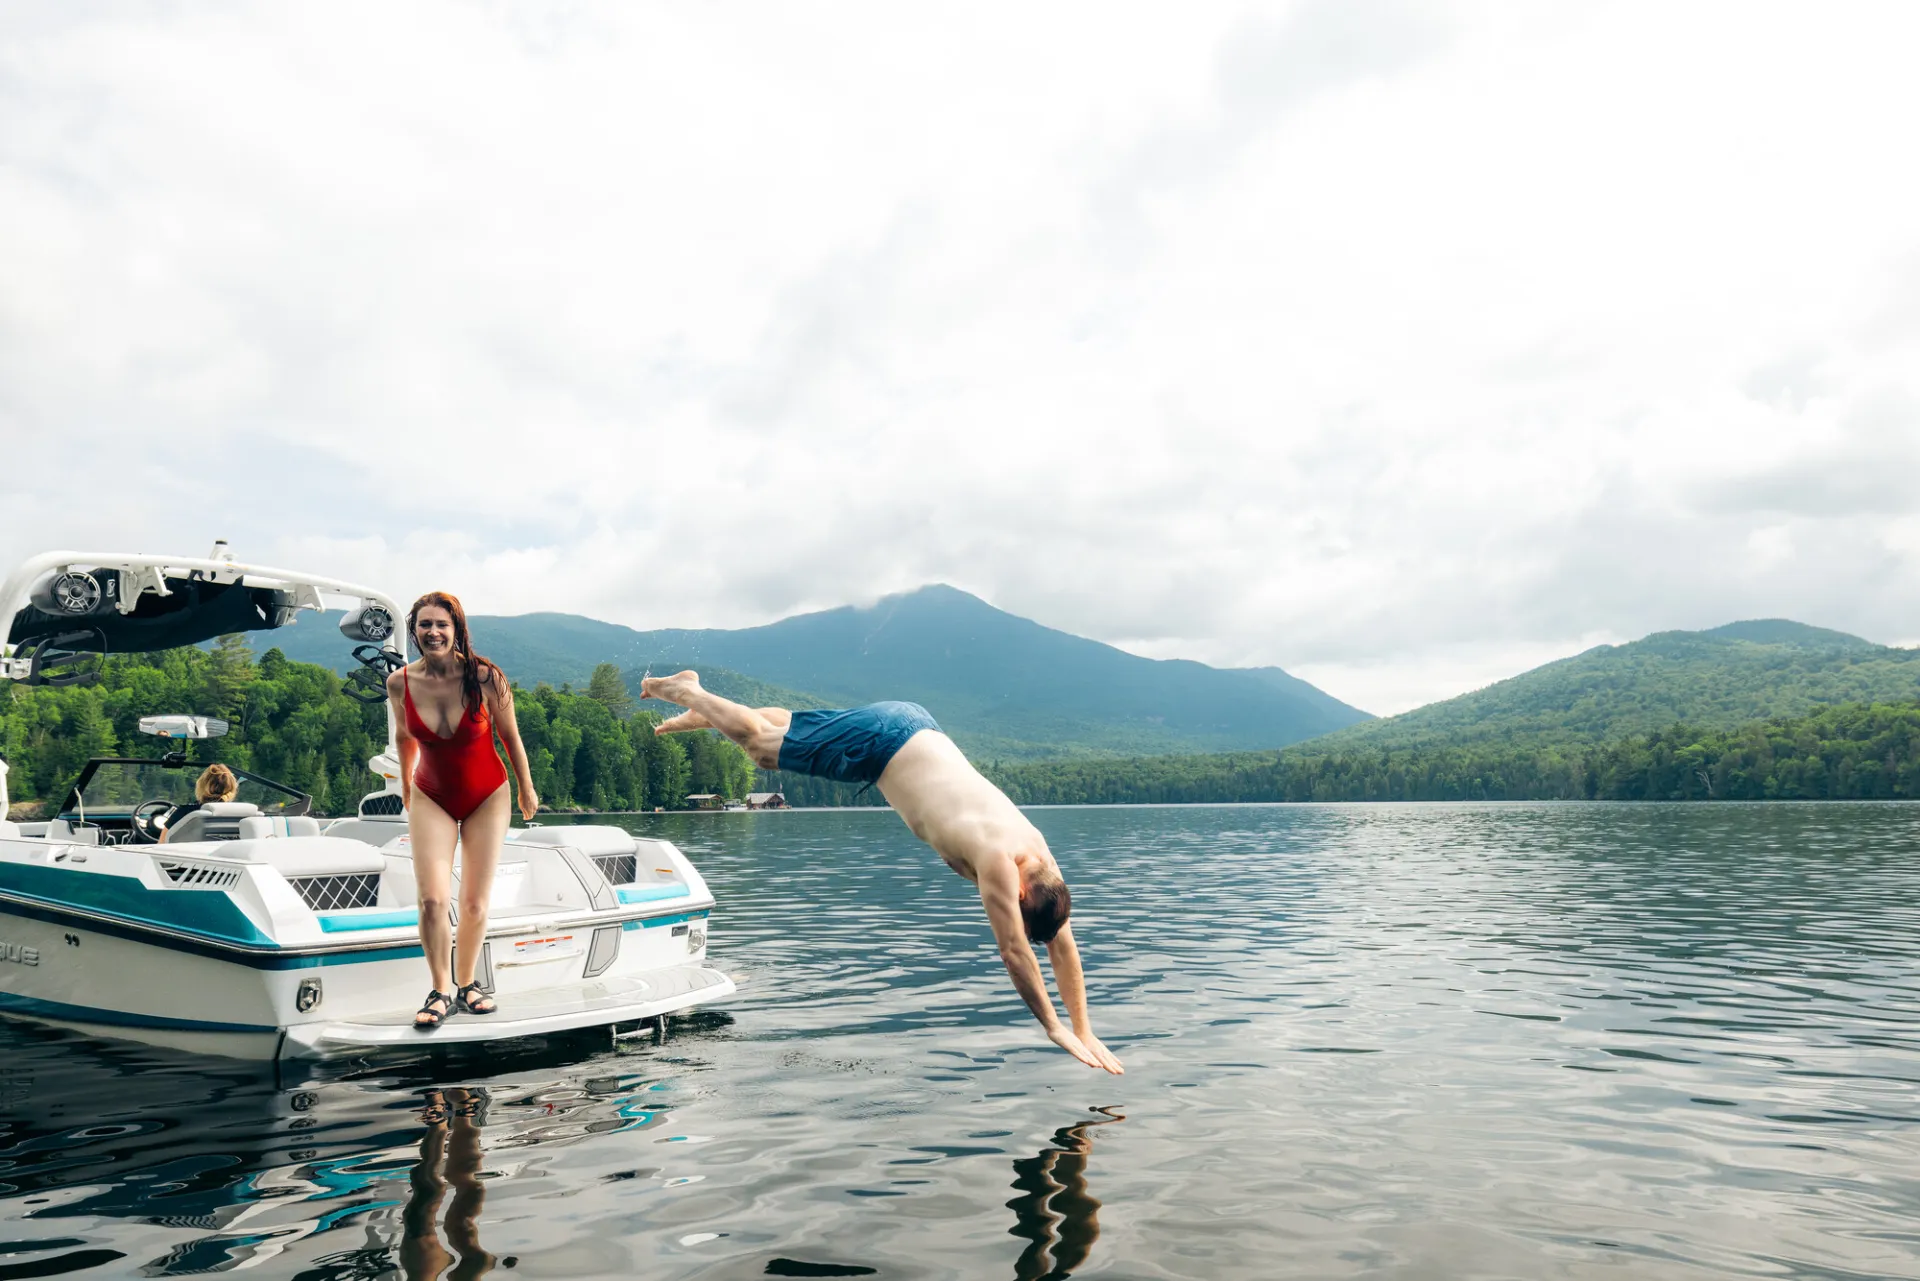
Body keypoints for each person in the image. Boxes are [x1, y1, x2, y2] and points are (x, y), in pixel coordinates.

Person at [639, 672, 1124, 1074]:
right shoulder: (1002, 862)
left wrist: (1084, 1026)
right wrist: (1054, 1027)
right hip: (885, 744)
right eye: (1017, 912)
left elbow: (1061, 941)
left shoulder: (1041, 861)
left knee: (787, 729)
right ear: (1021, 892)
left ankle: (710, 712)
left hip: (910, 729)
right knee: (762, 750)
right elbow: (1015, 952)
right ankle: (687, 689)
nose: (1013, 916)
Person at [386, 592, 540, 1031]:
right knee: (433, 899)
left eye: (441, 624)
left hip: (487, 795)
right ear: (414, 631)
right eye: (424, 625)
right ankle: (440, 991)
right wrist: (405, 784)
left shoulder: (486, 677)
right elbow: (403, 737)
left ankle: (468, 984)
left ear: (457, 630)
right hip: (430, 793)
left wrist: (527, 788)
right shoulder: (399, 683)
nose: (433, 632)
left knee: (472, 903)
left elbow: (511, 737)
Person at [158, 763, 239, 843]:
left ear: (201, 785)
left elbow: (161, 845)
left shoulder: (185, 813)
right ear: (232, 788)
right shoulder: (239, 815)